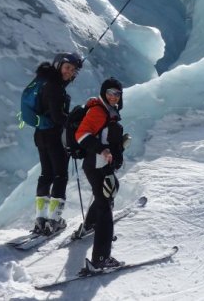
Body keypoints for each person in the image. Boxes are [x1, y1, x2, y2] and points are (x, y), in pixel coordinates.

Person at [75, 77, 127, 271]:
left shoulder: (110, 112)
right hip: (96, 164)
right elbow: (81, 134)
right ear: (104, 93)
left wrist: (116, 152)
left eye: (117, 93)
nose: (114, 96)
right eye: (110, 93)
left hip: (101, 165)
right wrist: (102, 151)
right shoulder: (98, 111)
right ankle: (101, 259)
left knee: (107, 193)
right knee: (105, 207)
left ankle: (89, 224)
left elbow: (108, 137)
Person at [32, 52, 82, 235]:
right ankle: (53, 221)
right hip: (54, 137)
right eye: (67, 67)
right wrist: (72, 120)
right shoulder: (55, 88)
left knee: (46, 175)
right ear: (58, 65)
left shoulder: (45, 83)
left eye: (73, 70)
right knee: (60, 176)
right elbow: (57, 116)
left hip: (40, 136)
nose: (69, 72)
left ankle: (41, 219)